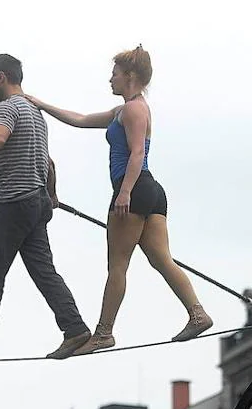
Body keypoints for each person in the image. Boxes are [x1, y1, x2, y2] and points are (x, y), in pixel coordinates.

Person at [27, 45, 212, 355]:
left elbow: (137, 151)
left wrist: (124, 192)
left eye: (113, 74)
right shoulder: (122, 111)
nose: (109, 79)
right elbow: (81, 119)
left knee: (118, 265)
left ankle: (103, 333)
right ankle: (197, 313)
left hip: (135, 189)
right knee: (160, 259)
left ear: (129, 76)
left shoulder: (136, 109)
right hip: (150, 192)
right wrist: (41, 104)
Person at [0, 54, 92, 362]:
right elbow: (48, 162)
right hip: (36, 203)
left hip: (11, 203)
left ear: (1, 77)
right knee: (44, 271)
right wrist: (52, 197)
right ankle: (75, 328)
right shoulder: (36, 114)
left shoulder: (7, 107)